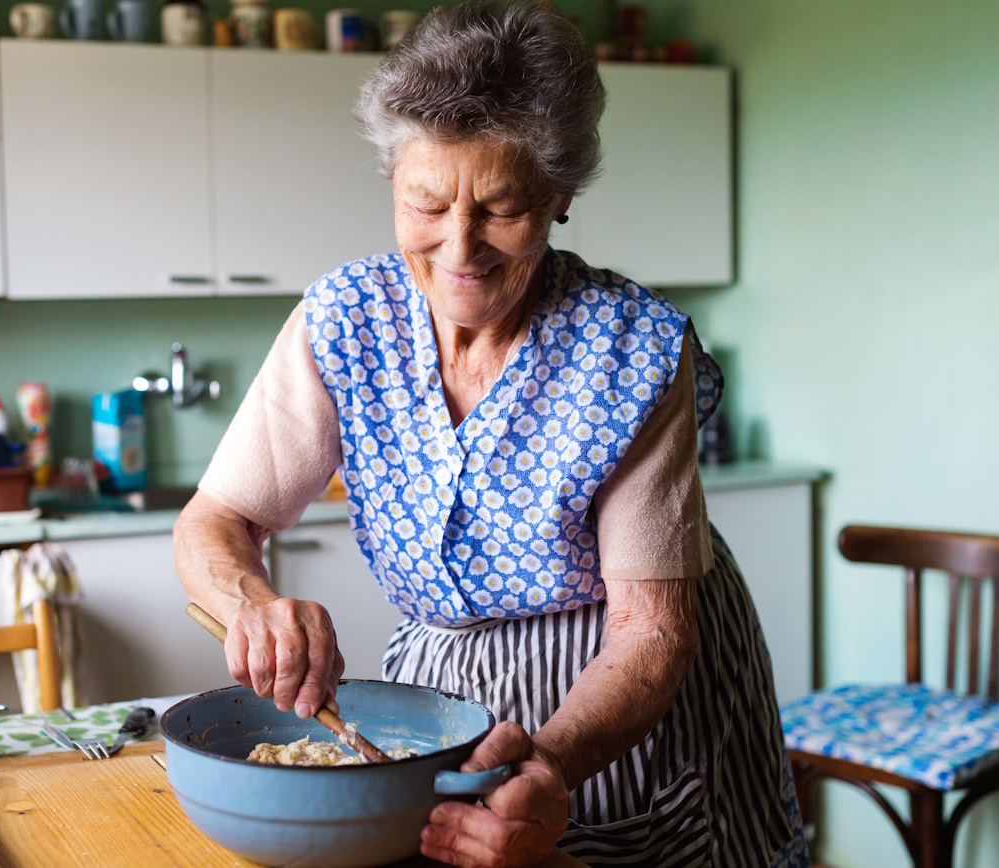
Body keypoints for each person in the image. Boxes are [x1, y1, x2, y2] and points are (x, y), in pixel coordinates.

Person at [174, 3, 808, 865]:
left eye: (502, 208)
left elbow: (649, 631)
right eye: (426, 204)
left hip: (622, 702)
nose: (460, 248)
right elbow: (215, 520)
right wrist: (249, 603)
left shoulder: (632, 350)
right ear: (393, 180)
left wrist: (552, 760)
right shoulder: (343, 320)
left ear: (560, 195)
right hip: (444, 695)